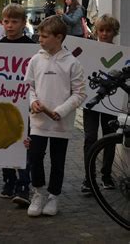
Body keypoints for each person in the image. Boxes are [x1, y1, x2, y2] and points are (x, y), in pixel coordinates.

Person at [25, 16, 86, 217]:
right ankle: (38, 192)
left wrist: (60, 111)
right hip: (39, 120)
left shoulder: (72, 63)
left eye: (44, 36)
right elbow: (30, 86)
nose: (40, 39)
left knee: (57, 159)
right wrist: (33, 101)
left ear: (58, 37)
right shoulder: (35, 60)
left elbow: (79, 93)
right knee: (35, 156)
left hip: (61, 121)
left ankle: (53, 196)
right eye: (39, 35)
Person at [0, 3, 35, 207]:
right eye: (6, 21)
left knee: (24, 144)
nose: (10, 25)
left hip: (25, 104)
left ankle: (23, 183)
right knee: (4, 142)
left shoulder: (32, 48)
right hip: (3, 103)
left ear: (23, 23)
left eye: (14, 21)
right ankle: (8, 180)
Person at [81, 14, 120, 194]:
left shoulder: (120, 54)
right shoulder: (89, 50)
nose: (104, 34)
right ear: (96, 31)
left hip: (110, 102)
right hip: (91, 101)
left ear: (114, 32)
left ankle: (106, 175)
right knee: (90, 137)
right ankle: (89, 178)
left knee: (109, 137)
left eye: (108, 31)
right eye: (101, 30)